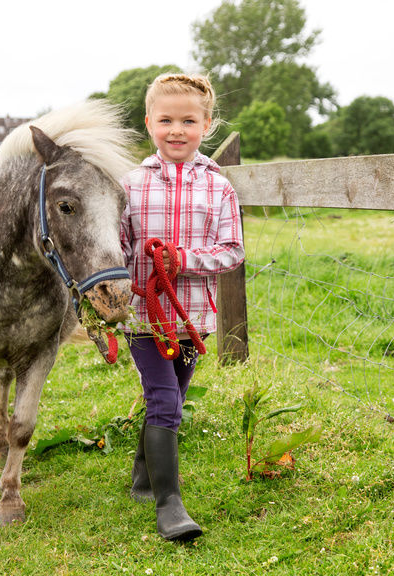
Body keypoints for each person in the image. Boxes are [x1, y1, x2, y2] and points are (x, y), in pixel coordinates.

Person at [120, 73, 245, 541]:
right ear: (149, 122)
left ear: (207, 125)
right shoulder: (129, 185)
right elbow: (117, 247)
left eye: (188, 120)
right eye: (166, 120)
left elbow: (232, 252)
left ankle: (143, 475)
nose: (177, 130)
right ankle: (170, 505)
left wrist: (184, 259)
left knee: (170, 393)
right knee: (165, 400)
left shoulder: (219, 189)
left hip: (194, 319)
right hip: (142, 316)